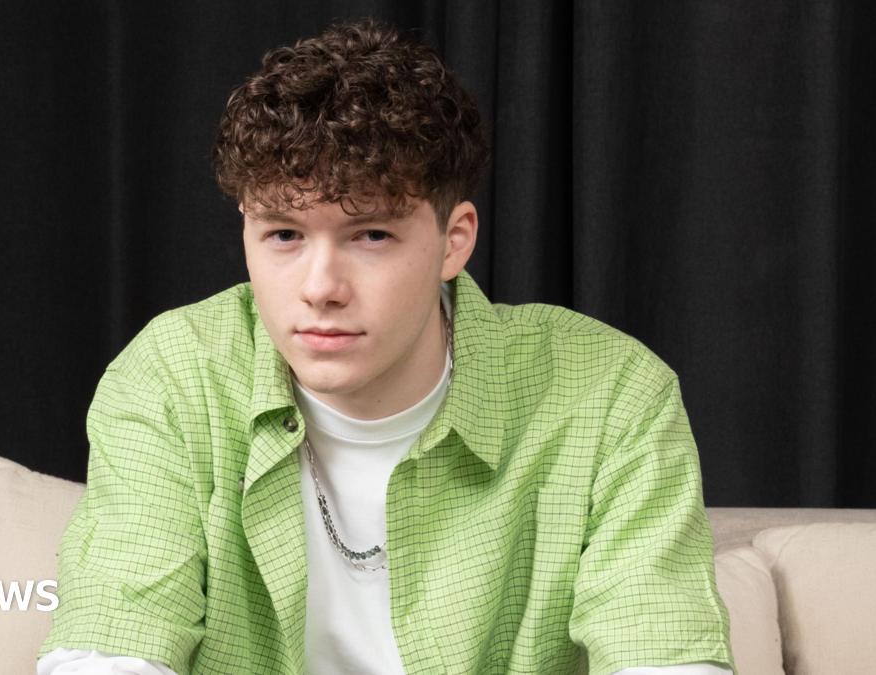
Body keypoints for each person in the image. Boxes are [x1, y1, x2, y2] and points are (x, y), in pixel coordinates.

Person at [36, 17, 735, 675]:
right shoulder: (172, 376)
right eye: (284, 235)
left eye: (370, 235)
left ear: (454, 241)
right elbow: (113, 644)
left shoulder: (610, 393)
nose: (320, 288)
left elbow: (662, 653)